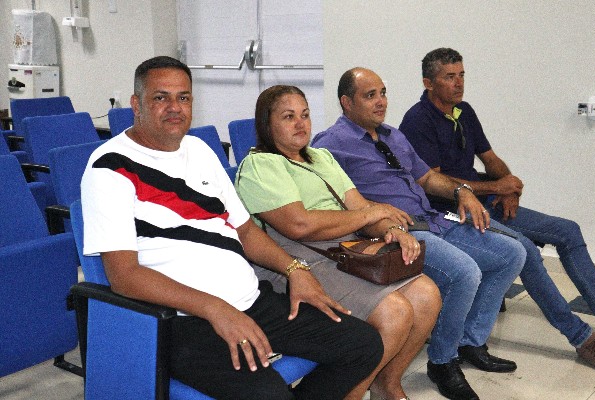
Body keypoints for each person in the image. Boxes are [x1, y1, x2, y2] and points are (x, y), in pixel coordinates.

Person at [80, 56, 384, 400]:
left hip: (250, 300)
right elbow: (124, 276)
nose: (175, 107)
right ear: (136, 104)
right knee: (268, 395)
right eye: (160, 97)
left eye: (183, 97)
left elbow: (247, 231)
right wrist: (215, 308)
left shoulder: (199, 150)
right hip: (183, 320)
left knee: (363, 345)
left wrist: (295, 269)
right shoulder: (108, 167)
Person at [312, 67, 527, 400]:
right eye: (370, 96)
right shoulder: (330, 145)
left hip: (433, 219)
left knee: (512, 254)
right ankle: (442, 361)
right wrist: (374, 217)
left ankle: (469, 342)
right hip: (394, 233)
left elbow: (427, 179)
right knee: (464, 272)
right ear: (346, 102)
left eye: (383, 93)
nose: (381, 102)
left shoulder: (393, 136)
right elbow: (332, 201)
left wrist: (462, 191)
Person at [235, 85, 442, 400]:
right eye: (288, 117)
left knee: (427, 296)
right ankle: (351, 394)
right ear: (267, 124)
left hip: (344, 251)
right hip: (295, 260)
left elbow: (360, 207)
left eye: (305, 115)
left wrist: (392, 228)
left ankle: (387, 383)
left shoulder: (322, 157)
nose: (301, 124)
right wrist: (370, 214)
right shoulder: (260, 165)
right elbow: (298, 224)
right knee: (395, 313)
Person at [400, 47, 595, 371]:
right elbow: (434, 183)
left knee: (568, 230)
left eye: (461, 75)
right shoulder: (417, 121)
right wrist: (496, 187)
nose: (459, 83)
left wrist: (509, 187)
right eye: (449, 77)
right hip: (450, 210)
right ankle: (581, 338)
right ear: (428, 83)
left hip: (486, 200)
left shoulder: (463, 111)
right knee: (526, 251)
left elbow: (490, 159)